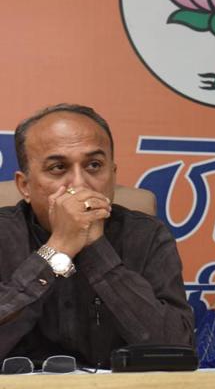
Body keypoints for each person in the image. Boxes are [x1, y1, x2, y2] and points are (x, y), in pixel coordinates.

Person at [0, 103, 193, 368]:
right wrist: (57, 249)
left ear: (112, 176)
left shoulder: (146, 236)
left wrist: (97, 250)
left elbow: (176, 350)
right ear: (25, 186)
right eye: (58, 168)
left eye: (94, 165)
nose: (79, 184)